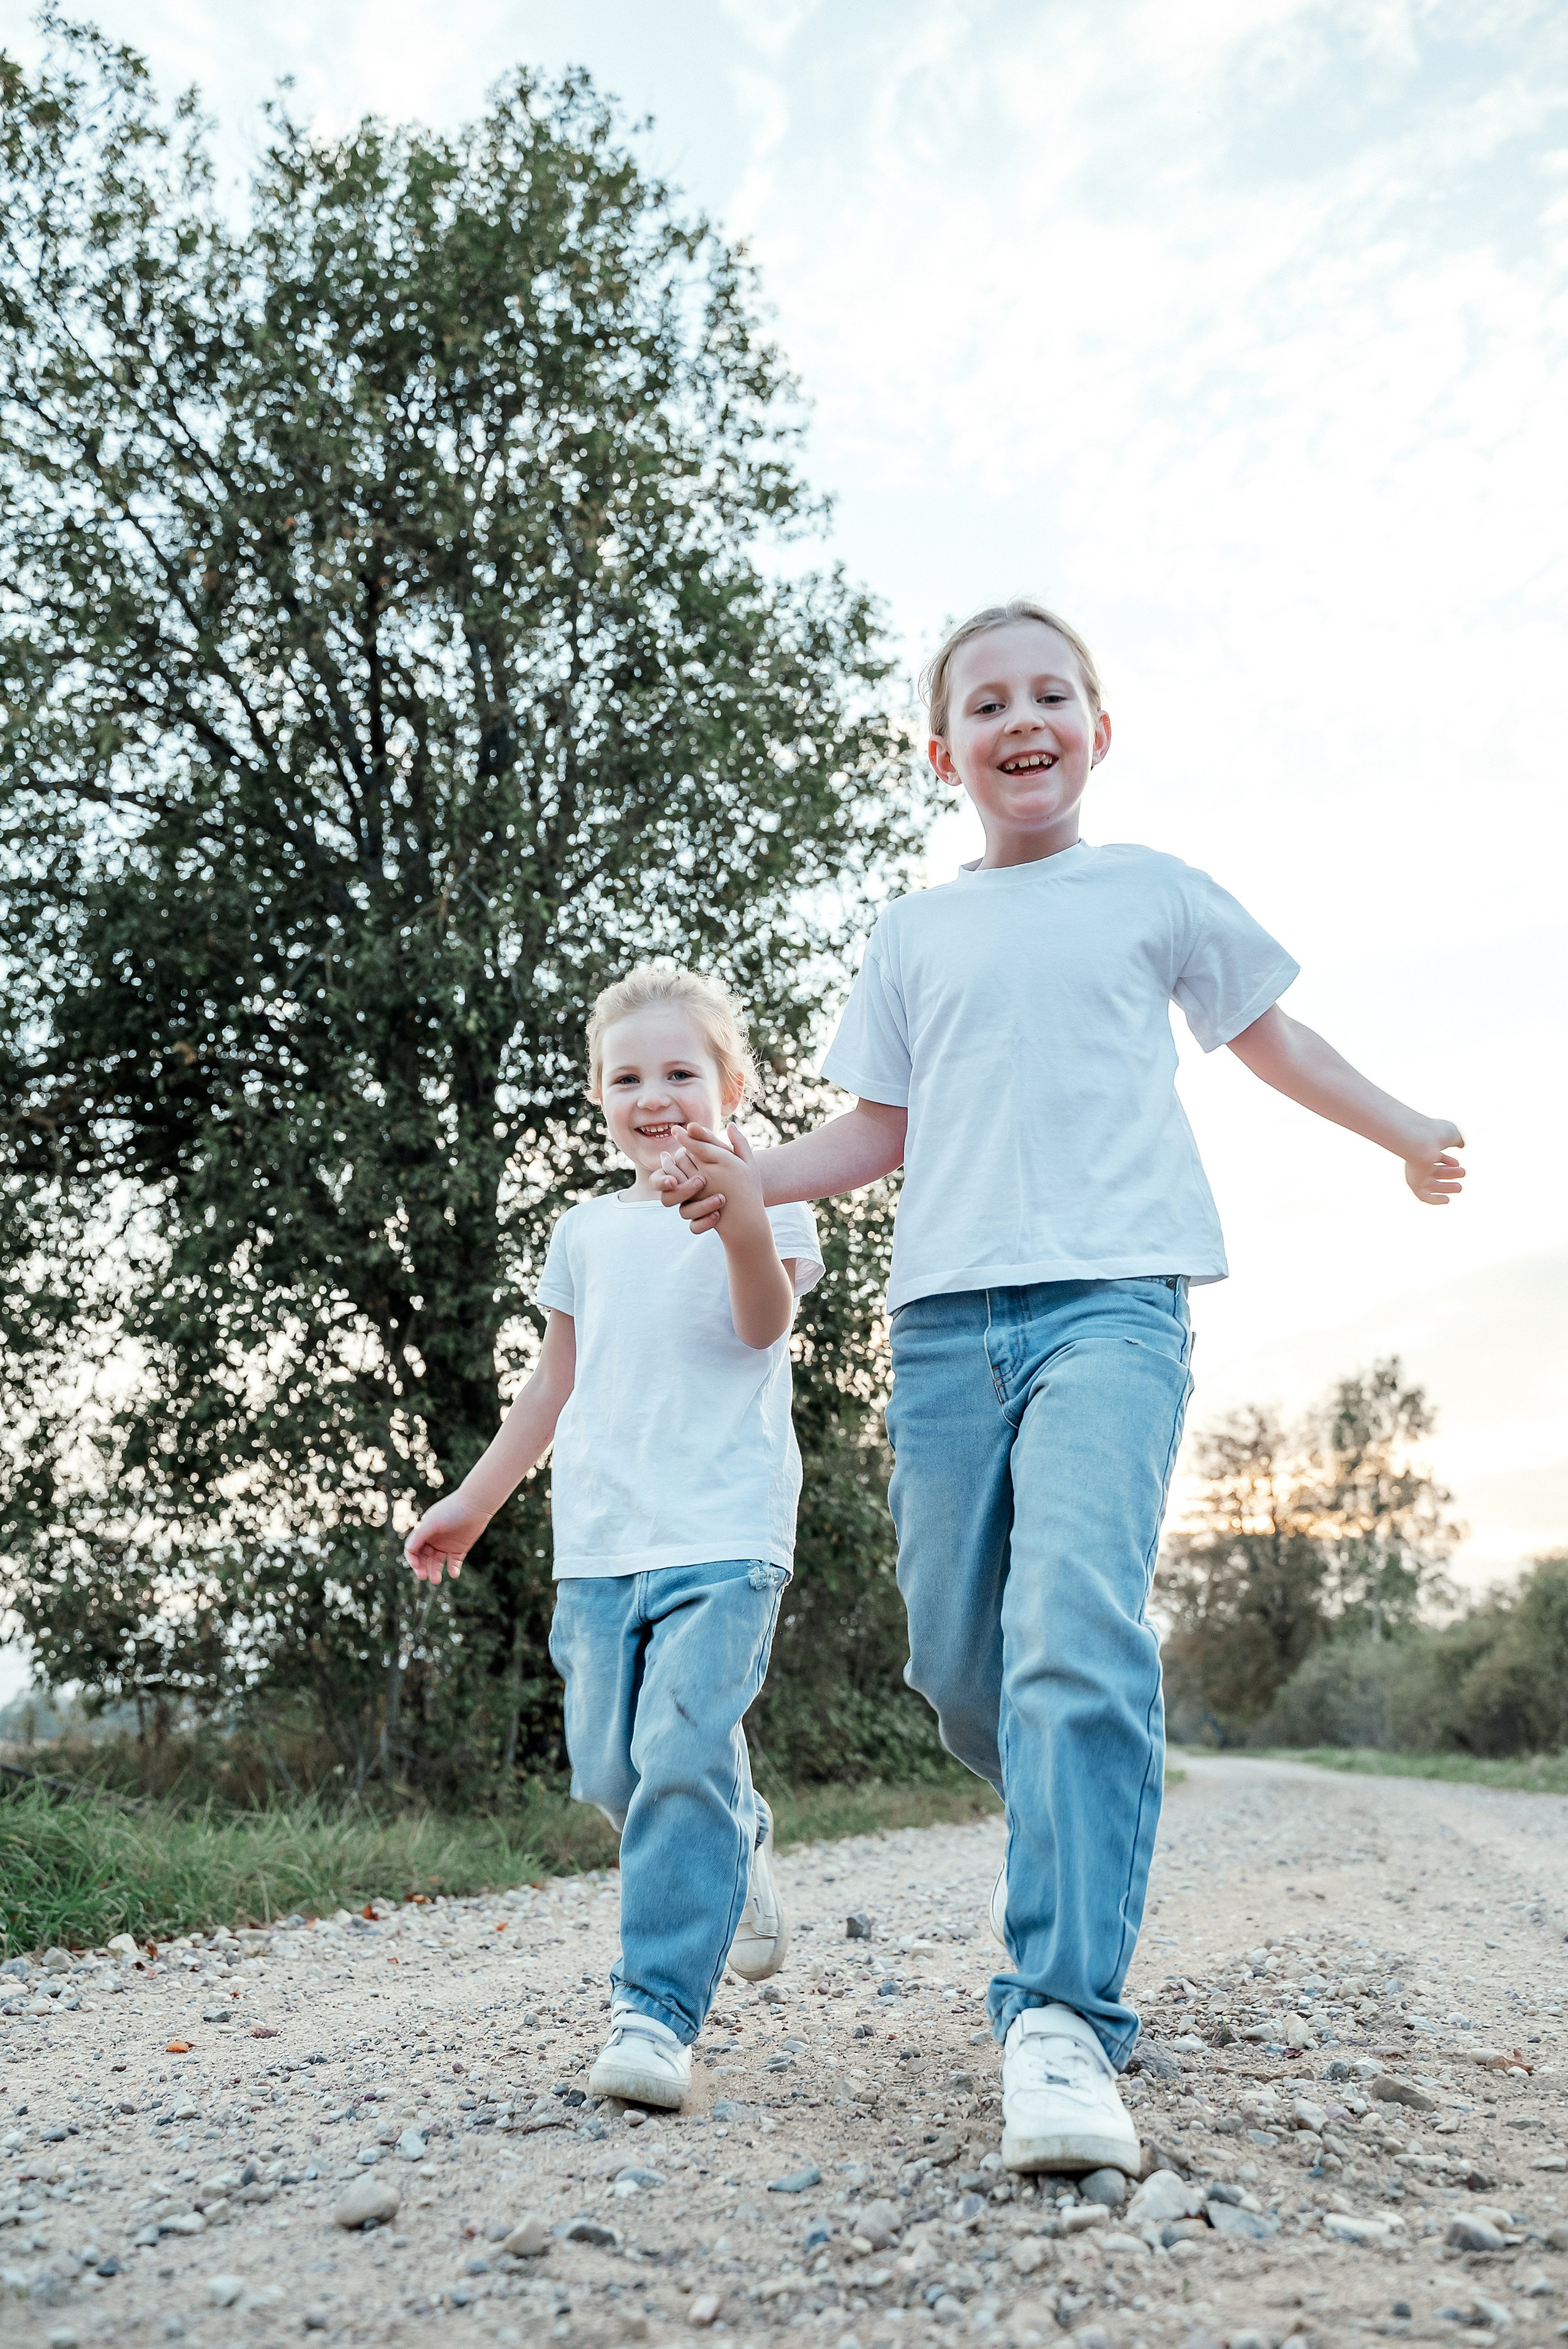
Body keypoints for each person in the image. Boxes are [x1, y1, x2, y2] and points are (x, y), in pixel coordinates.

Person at [654, 599, 1466, 2173]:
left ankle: (1062, 2017)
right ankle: (1070, 1808)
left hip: (1114, 1303)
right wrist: (742, 1176)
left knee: (1073, 1634)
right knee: (969, 1672)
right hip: (945, 1327)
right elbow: (871, 1135)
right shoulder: (915, 932)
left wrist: (1405, 1129)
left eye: (1049, 694)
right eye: (984, 702)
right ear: (940, 747)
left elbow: (1270, 1037)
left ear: (1098, 729)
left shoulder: (1151, 892)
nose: (1019, 719)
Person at [404, 967, 823, 2110]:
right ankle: (737, 1839)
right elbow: (553, 1386)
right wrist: (475, 1501)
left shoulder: (772, 1195)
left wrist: (734, 1210)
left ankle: (655, 2013)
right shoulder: (584, 1230)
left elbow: (761, 1324)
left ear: (730, 1085)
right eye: (628, 1077)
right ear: (600, 1097)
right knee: (609, 1767)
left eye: (682, 1073)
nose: (657, 1096)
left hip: (725, 1530)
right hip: (598, 1542)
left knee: (682, 1752)